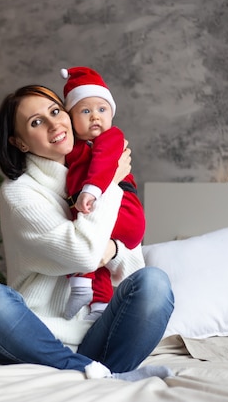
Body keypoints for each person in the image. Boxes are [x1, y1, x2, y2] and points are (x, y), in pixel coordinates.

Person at [0, 84, 174, 381]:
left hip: (98, 339)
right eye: (36, 122)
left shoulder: (99, 168)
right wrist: (109, 184)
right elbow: (84, 254)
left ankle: (96, 371)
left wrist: (113, 249)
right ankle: (88, 372)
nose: (54, 124)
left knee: (155, 283)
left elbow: (131, 267)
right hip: (34, 339)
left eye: (55, 111)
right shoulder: (19, 193)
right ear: (20, 143)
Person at [60, 66, 146, 321]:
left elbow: (104, 164)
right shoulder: (73, 147)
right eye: (85, 111)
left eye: (102, 109)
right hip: (99, 208)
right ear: (71, 119)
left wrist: (92, 191)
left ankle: (81, 285)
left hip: (125, 209)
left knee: (86, 239)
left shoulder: (112, 138)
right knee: (99, 260)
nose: (95, 116)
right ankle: (98, 307)